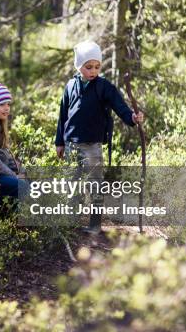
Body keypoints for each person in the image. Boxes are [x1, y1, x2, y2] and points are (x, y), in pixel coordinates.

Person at [55, 40, 144, 234]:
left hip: (92, 145)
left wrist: (132, 117)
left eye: (97, 67)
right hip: (71, 143)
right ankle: (70, 221)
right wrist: (59, 141)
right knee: (72, 183)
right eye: (88, 67)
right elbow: (63, 115)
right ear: (79, 66)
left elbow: (119, 106)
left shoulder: (104, 87)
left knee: (94, 183)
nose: (93, 71)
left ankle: (94, 225)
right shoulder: (70, 86)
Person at [0, 79, 28, 210]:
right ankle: (9, 219)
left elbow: (5, 155)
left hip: (2, 173)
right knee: (20, 185)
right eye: (1, 104)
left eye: (8, 104)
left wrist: (20, 170)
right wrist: (14, 175)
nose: (7, 108)